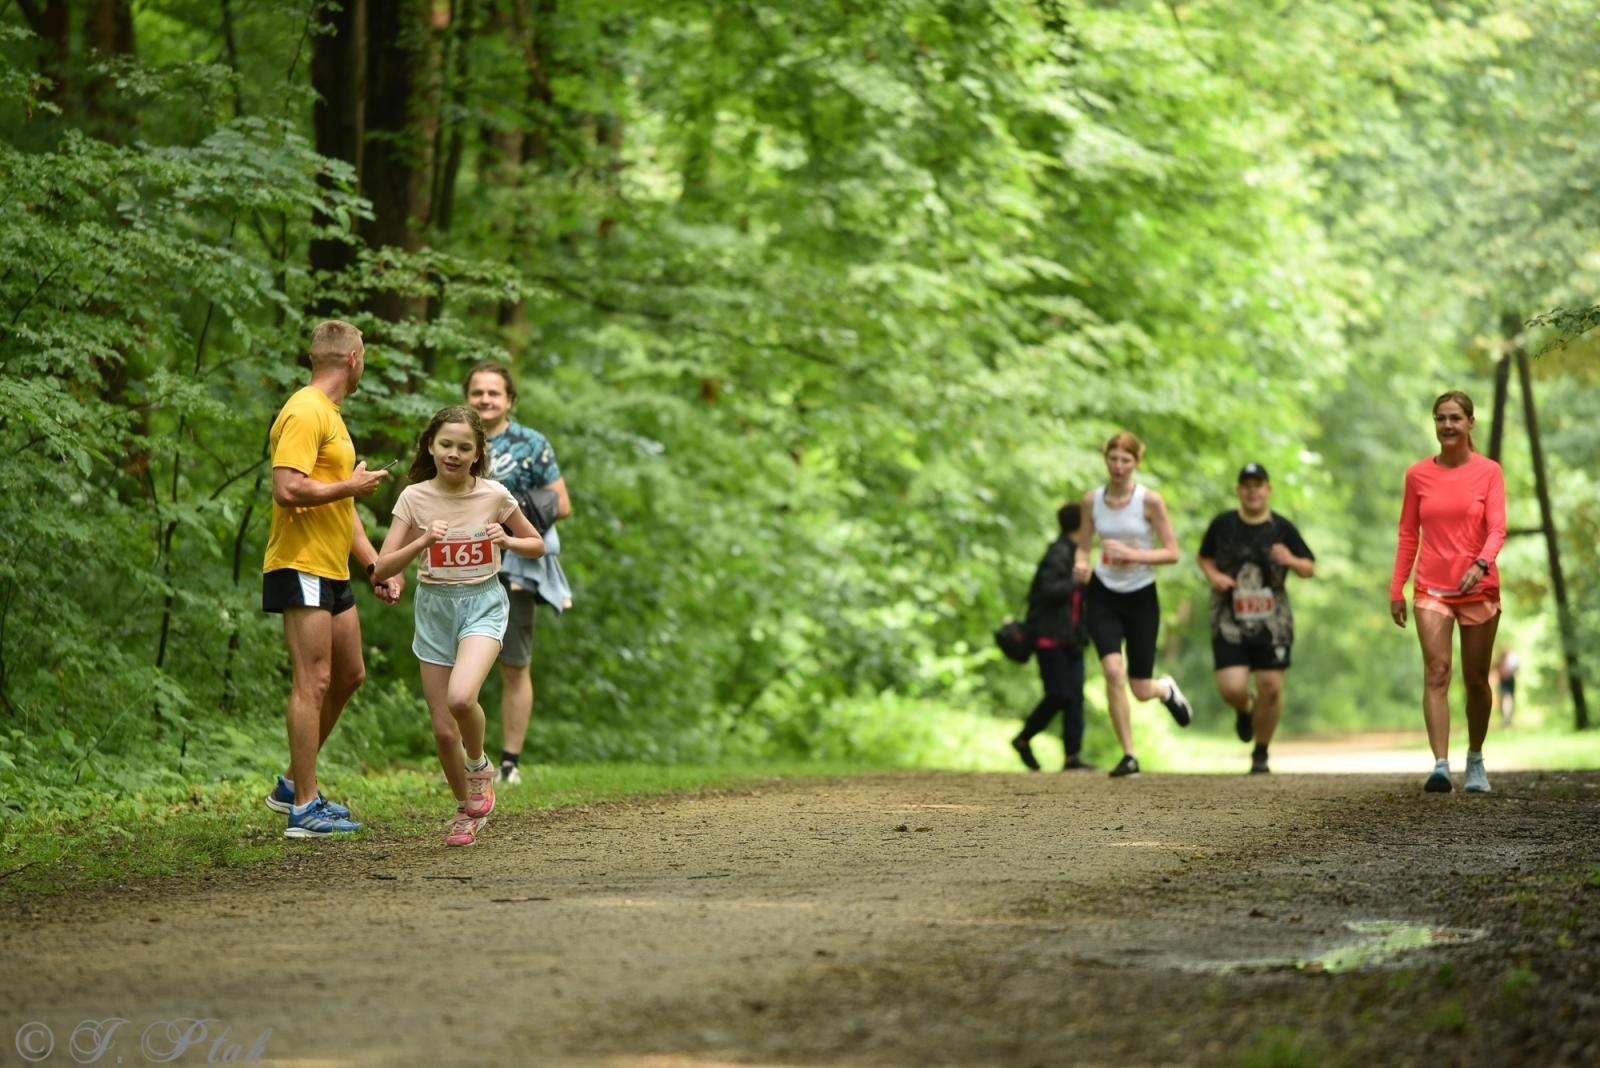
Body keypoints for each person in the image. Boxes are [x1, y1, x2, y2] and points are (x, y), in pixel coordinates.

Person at [373, 405, 546, 846]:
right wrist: (424, 539)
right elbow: (380, 567)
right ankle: (465, 812)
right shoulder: (413, 498)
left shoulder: (494, 495)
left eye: (463, 447)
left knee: (462, 697)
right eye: (445, 444)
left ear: (477, 452)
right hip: (435, 609)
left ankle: (478, 767)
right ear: (430, 446)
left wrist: (507, 539)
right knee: (442, 728)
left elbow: (537, 544)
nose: (453, 453)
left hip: (483, 604)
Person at [261, 320, 402, 838]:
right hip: (299, 563)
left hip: (333, 565)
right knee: (313, 680)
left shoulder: (334, 418)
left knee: (348, 675)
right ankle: (303, 806)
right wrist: (350, 483)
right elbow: (287, 489)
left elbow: (343, 504)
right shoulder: (304, 410)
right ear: (354, 359)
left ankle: (293, 783)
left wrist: (374, 565)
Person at [1390, 390, 1506, 794]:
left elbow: (1497, 528)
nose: (1447, 425)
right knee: (1437, 672)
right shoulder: (1417, 475)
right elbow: (1408, 533)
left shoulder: (1489, 472)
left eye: (1455, 417)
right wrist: (1396, 588)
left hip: (1478, 588)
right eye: (1441, 418)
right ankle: (1440, 764)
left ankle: (1475, 758)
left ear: (1470, 422)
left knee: (1476, 680)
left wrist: (1481, 563)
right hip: (1431, 587)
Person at [465, 361, 571, 786]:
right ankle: (464, 758)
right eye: (477, 392)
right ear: (467, 397)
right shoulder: (454, 437)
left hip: (515, 566)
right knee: (456, 665)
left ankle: (509, 762)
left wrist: (515, 513)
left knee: (513, 663)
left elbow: (561, 503)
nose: (485, 399)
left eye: (494, 393)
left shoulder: (532, 444)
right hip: (460, 563)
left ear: (509, 399)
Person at [1072, 432, 1194, 778]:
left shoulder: (1150, 501)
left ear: (1136, 463)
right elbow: (1083, 545)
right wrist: (1081, 563)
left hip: (1141, 595)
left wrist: (1134, 555)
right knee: (1113, 671)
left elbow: (1172, 552)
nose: (1119, 466)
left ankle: (1165, 689)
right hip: (1102, 592)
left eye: (1126, 460)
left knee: (1140, 689)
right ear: (1106, 460)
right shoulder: (1090, 501)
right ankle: (1129, 755)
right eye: (1113, 459)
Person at [1197, 463, 1316, 775]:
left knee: (1271, 685)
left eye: (1258, 484)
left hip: (1272, 619)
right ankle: (1244, 708)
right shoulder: (1222, 524)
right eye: (1246, 485)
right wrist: (1214, 576)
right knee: (1232, 688)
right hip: (1228, 615)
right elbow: (1204, 556)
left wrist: (1289, 559)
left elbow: (1309, 567)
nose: (1252, 490)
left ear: (1268, 489)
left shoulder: (1283, 528)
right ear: (1238, 490)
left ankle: (1261, 751)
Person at [1011, 502, 1095, 772]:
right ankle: (1024, 739)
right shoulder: (1058, 552)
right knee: (1059, 694)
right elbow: (1045, 591)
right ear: (1080, 525)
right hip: (1049, 638)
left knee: (1075, 698)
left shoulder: (1076, 554)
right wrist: (1077, 581)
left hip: (1072, 639)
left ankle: (1072, 757)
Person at [1494, 647, 1520, 728]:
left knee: (1507, 700)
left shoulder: (1509, 661)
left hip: (1508, 682)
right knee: (1506, 700)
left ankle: (1507, 720)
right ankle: (1506, 720)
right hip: (1505, 683)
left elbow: (1517, 670)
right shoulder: (1501, 662)